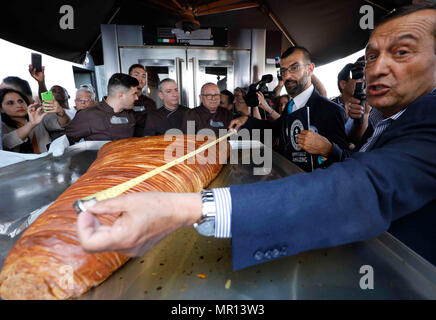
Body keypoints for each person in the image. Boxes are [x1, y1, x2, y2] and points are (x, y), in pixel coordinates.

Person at [77, 3, 436, 270]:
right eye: (371, 56)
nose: (378, 67)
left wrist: (188, 207)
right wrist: (246, 123)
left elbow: (365, 185)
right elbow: (283, 134)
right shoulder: (390, 121)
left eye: (402, 52)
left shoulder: (428, 119)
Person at [230, 45, 349, 170]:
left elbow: (347, 161)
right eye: (283, 71)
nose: (286, 76)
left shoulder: (331, 110)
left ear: (310, 69)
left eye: (294, 68)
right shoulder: (290, 107)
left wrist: (328, 149)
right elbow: (275, 128)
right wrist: (246, 120)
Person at [66, 73, 139, 144]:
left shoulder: (131, 113)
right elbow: (66, 139)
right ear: (121, 96)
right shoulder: (88, 115)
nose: (137, 98)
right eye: (134, 94)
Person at [1, 88, 70, 153]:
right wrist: (31, 124)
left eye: (20, 101)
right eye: (10, 103)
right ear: (1, 109)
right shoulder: (2, 126)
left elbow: (61, 124)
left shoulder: (38, 115)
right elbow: (6, 143)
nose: (19, 105)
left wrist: (62, 113)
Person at [128, 64, 157, 137]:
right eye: (136, 75)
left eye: (143, 76)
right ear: (129, 77)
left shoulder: (150, 103)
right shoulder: (123, 100)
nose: (140, 79)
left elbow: (152, 125)